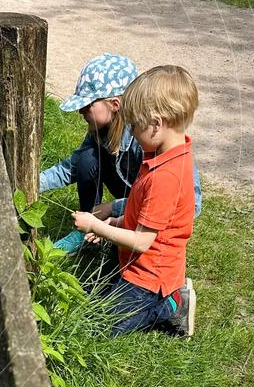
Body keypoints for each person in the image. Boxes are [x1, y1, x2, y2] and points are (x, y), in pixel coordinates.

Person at [71, 65, 198, 338]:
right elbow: (145, 215)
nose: (131, 131)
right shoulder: (161, 155)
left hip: (148, 279)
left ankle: (170, 305)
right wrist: (116, 221)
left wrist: (96, 225)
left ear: (156, 124)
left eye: (135, 125)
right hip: (135, 264)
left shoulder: (166, 176)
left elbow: (142, 241)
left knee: (94, 327)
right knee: (93, 299)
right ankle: (160, 299)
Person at [41, 53, 202, 253]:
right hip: (134, 197)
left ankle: (101, 225)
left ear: (114, 104)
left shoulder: (146, 138)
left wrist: (113, 207)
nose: (80, 111)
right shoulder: (101, 132)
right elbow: (70, 168)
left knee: (118, 261)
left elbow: (189, 204)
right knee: (86, 158)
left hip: (151, 208)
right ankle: (91, 226)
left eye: (87, 105)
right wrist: (33, 182)